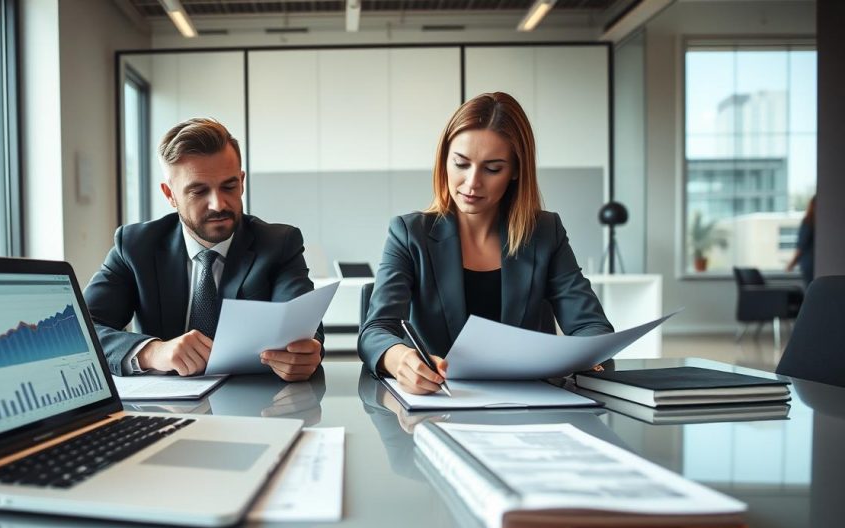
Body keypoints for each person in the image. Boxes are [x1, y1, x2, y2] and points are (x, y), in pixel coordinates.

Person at [358, 92, 613, 394]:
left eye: (492, 169)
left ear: (516, 171)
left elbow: (591, 327)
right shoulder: (409, 233)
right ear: (444, 161)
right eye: (461, 164)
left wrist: (584, 357)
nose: (472, 183)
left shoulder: (545, 232)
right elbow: (376, 330)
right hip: (439, 404)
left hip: (528, 407)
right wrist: (400, 359)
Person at [85, 118, 323, 382]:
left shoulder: (279, 243)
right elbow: (83, 330)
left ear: (242, 182)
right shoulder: (135, 245)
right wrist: (153, 352)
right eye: (198, 191)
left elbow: (303, 327)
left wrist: (305, 353)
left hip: (256, 405)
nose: (218, 204)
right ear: (170, 195)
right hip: (165, 408)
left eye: (229, 186)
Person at [786, 195, 816, 288]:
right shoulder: (813, 222)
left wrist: (791, 264)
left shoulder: (808, 221)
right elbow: (802, 245)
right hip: (811, 262)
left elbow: (801, 245)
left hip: (808, 262)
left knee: (810, 289)